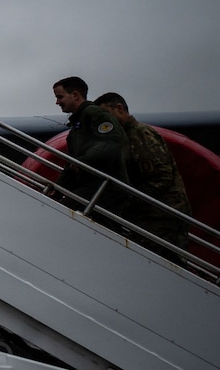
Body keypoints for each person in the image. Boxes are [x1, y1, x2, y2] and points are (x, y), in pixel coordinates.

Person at [98, 93, 192, 249]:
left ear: (119, 109)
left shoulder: (140, 134)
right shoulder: (124, 137)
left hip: (161, 215)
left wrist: (129, 201)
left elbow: (161, 177)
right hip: (150, 214)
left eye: (106, 115)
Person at [52, 76, 130, 209]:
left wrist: (84, 161)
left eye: (60, 97)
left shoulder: (94, 114)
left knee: (68, 209)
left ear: (75, 95)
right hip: (94, 185)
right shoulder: (75, 130)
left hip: (107, 186)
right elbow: (72, 164)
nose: (57, 102)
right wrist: (57, 189)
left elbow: (113, 141)